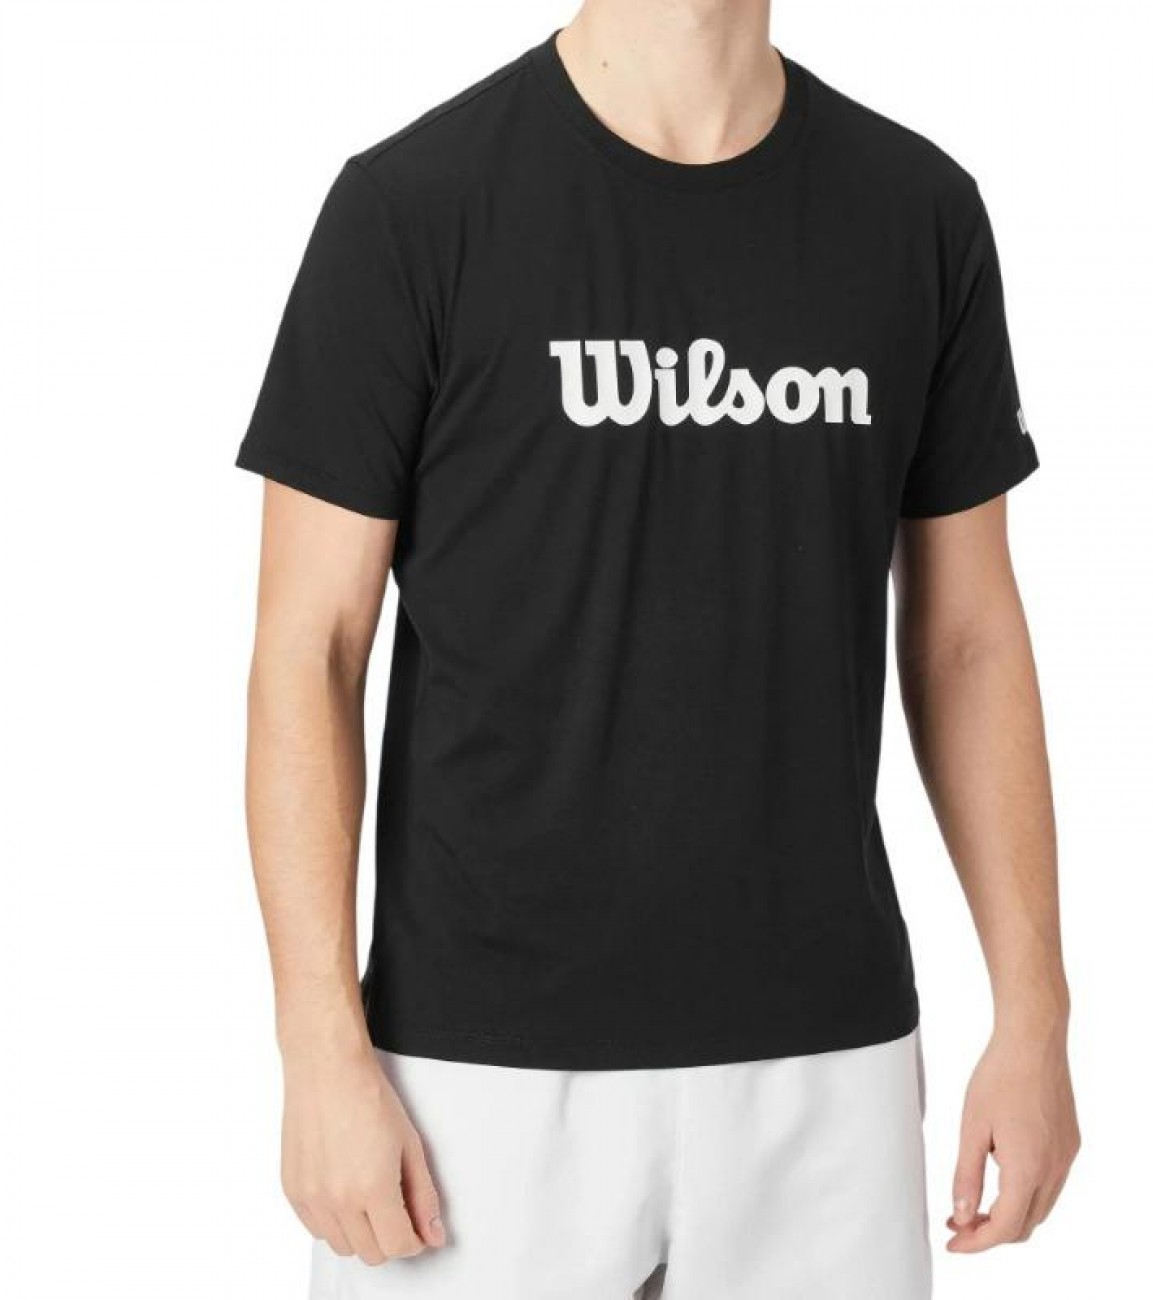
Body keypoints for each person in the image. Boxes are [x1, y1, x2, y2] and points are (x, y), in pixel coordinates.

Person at [236, 2, 1080, 1296]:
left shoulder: (915, 211)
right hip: (474, 1075)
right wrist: (319, 1052)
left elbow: (968, 640)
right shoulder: (415, 206)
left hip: (824, 1064)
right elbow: (312, 648)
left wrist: (1035, 1017)